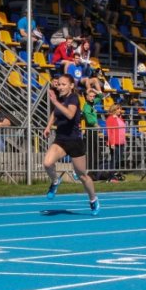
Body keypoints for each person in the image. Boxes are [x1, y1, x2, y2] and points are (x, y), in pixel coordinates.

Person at [42, 74, 100, 215]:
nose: (60, 87)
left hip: (74, 141)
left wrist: (55, 102)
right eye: (59, 84)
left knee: (82, 176)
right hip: (61, 140)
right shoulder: (60, 99)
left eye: (63, 84)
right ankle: (56, 181)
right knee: (47, 163)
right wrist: (48, 126)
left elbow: (69, 114)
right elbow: (55, 114)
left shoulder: (73, 98)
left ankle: (93, 199)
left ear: (71, 86)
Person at [104, 104, 127, 182]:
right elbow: (110, 132)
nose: (120, 110)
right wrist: (112, 143)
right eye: (118, 109)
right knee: (114, 160)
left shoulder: (120, 118)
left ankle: (114, 175)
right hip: (115, 142)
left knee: (117, 159)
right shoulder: (110, 118)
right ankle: (111, 177)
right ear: (114, 110)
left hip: (121, 142)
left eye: (120, 109)